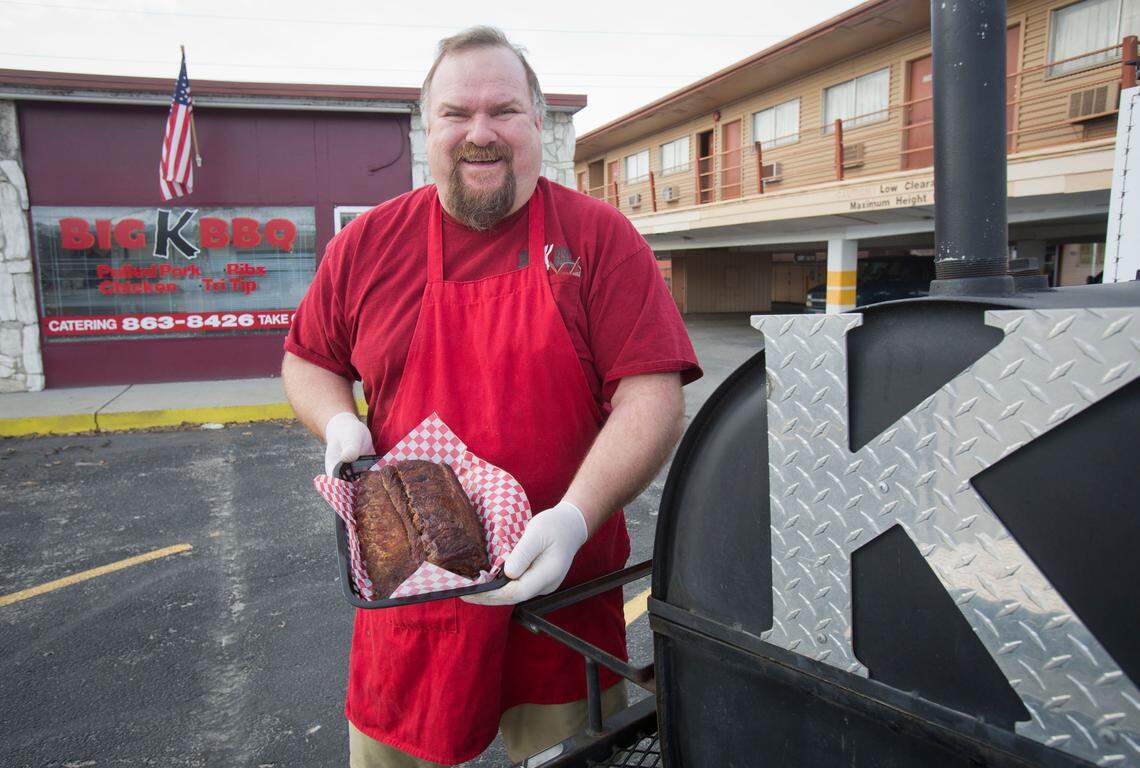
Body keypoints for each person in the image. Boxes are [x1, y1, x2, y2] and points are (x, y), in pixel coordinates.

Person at [281, 26, 701, 768]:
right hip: (410, 598)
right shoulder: (369, 245)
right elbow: (308, 360)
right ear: (427, 128)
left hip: (563, 595)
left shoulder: (599, 239)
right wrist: (340, 422)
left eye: (504, 110)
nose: (480, 132)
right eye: (456, 114)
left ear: (538, 123)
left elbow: (653, 397)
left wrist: (573, 519)